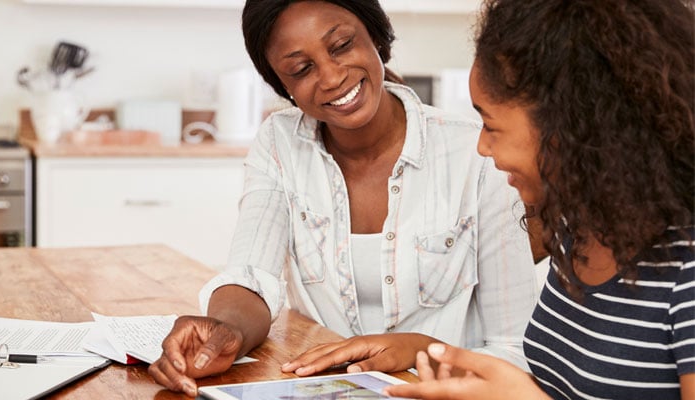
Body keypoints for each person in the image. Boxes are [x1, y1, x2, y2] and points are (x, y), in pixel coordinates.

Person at [149, 0, 539, 396]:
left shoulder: (476, 151)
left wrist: (418, 352)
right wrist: (226, 330)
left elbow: (515, 351)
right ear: (283, 86)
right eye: (301, 69)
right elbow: (253, 275)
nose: (332, 77)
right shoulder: (279, 142)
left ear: (376, 37)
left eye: (341, 45)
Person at [384, 0, 695, 399]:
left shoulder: (685, 268)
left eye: (490, 126)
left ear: (570, 126)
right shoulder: (578, 227)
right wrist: (447, 362)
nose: (481, 146)